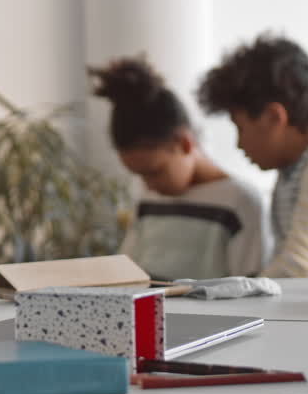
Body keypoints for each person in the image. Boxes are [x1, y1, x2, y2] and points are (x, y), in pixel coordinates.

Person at [89, 56, 269, 280]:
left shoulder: (239, 202)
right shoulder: (149, 199)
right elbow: (129, 275)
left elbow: (248, 288)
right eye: (140, 176)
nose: (149, 185)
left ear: (185, 143)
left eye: (155, 172)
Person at [197, 34, 308, 277]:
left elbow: (301, 267)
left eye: (240, 128)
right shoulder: (295, 166)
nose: (239, 144)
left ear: (274, 117)